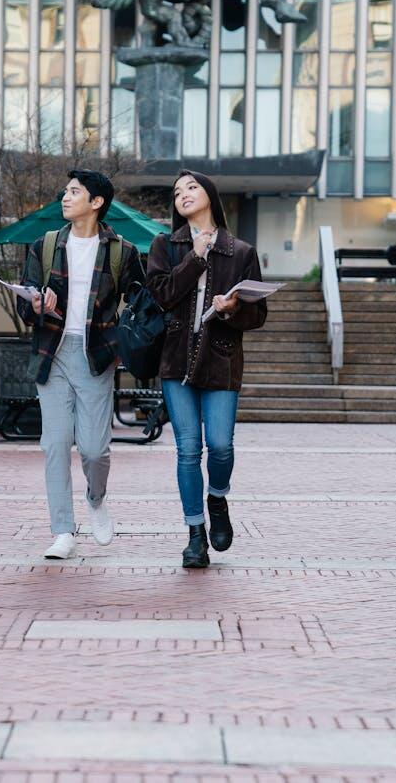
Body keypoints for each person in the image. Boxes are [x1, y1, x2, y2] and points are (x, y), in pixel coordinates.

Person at [16, 169, 146, 560]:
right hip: (52, 354)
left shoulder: (122, 252)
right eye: (66, 191)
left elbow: (140, 302)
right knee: (55, 444)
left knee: (93, 449)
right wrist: (36, 303)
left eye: (75, 192)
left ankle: (96, 497)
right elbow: (26, 304)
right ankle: (62, 531)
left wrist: (123, 337)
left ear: (96, 202)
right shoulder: (45, 245)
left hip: (96, 356)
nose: (66, 197)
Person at [145, 169, 267, 568]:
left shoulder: (241, 252)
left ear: (210, 194)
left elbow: (258, 315)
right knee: (187, 449)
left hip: (221, 359)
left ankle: (217, 497)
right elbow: (162, 295)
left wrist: (232, 310)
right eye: (177, 191)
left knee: (220, 445)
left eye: (191, 187)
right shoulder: (166, 245)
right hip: (176, 360)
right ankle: (195, 535)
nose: (183, 194)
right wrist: (195, 258)